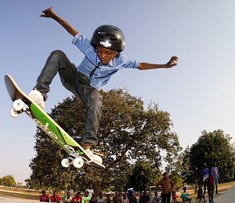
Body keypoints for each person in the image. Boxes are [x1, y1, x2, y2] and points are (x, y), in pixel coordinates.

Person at [28, 6, 178, 163]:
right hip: (73, 77)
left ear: (116, 52)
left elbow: (141, 65)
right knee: (58, 54)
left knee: (96, 98)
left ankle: (87, 147)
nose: (103, 56)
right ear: (95, 47)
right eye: (99, 51)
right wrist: (54, 16)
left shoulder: (122, 61)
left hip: (88, 90)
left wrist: (164, 65)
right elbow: (72, 30)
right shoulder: (89, 47)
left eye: (108, 53)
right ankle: (40, 93)